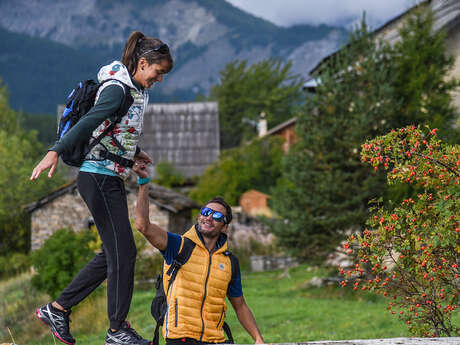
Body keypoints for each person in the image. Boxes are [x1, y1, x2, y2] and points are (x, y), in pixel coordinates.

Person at [30, 31, 173, 345]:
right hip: (98, 177)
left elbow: (112, 130)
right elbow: (89, 122)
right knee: (124, 252)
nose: (159, 79)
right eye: (158, 72)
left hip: (108, 176)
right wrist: (55, 150)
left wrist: (133, 154)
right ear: (143, 63)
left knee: (115, 253)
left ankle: (58, 309)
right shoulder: (117, 90)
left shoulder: (132, 89)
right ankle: (117, 329)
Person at [132, 161, 265, 345]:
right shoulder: (179, 245)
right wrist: (144, 181)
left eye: (217, 216)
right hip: (181, 338)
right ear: (199, 215)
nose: (209, 217)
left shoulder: (230, 262)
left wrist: (258, 339)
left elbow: (240, 305)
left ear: (225, 227)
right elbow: (143, 226)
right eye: (206, 212)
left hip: (215, 340)